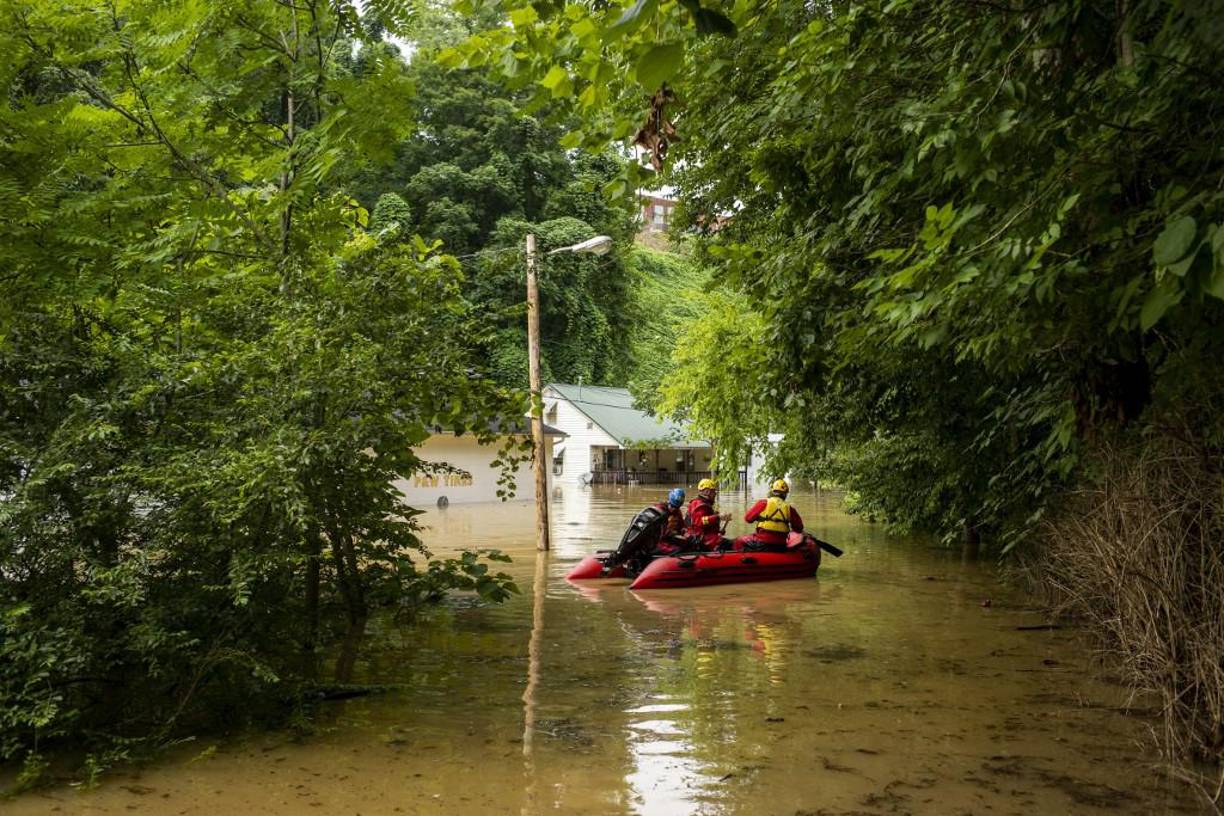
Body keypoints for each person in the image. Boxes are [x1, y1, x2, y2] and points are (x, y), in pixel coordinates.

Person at [741, 479, 804, 551]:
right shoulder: (790, 508)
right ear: (785, 494)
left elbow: (747, 518)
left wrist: (758, 518)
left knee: (739, 541)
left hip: (762, 542)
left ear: (773, 491)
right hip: (781, 544)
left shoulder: (763, 503)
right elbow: (799, 528)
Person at [686, 478, 730, 550]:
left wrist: (719, 531)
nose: (715, 494)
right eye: (713, 491)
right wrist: (718, 517)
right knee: (731, 544)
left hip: (705, 537)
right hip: (702, 540)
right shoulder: (699, 505)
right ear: (707, 492)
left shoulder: (703, 504)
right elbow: (700, 522)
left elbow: (706, 525)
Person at [653, 487, 688, 555]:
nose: (673, 509)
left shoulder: (677, 512)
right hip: (657, 541)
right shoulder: (659, 511)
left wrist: (685, 532)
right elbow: (657, 532)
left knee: (687, 545)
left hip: (668, 538)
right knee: (677, 551)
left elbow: (682, 526)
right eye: (672, 506)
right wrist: (670, 530)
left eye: (676, 507)